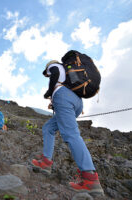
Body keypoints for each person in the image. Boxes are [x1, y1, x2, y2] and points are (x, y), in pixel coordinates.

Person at [31, 60, 104, 196]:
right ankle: (46, 162)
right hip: (77, 102)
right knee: (48, 128)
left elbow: (55, 74)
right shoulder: (70, 72)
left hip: (63, 97)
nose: (47, 75)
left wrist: (49, 93)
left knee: (71, 134)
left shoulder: (55, 66)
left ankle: (90, 178)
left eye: (46, 74)